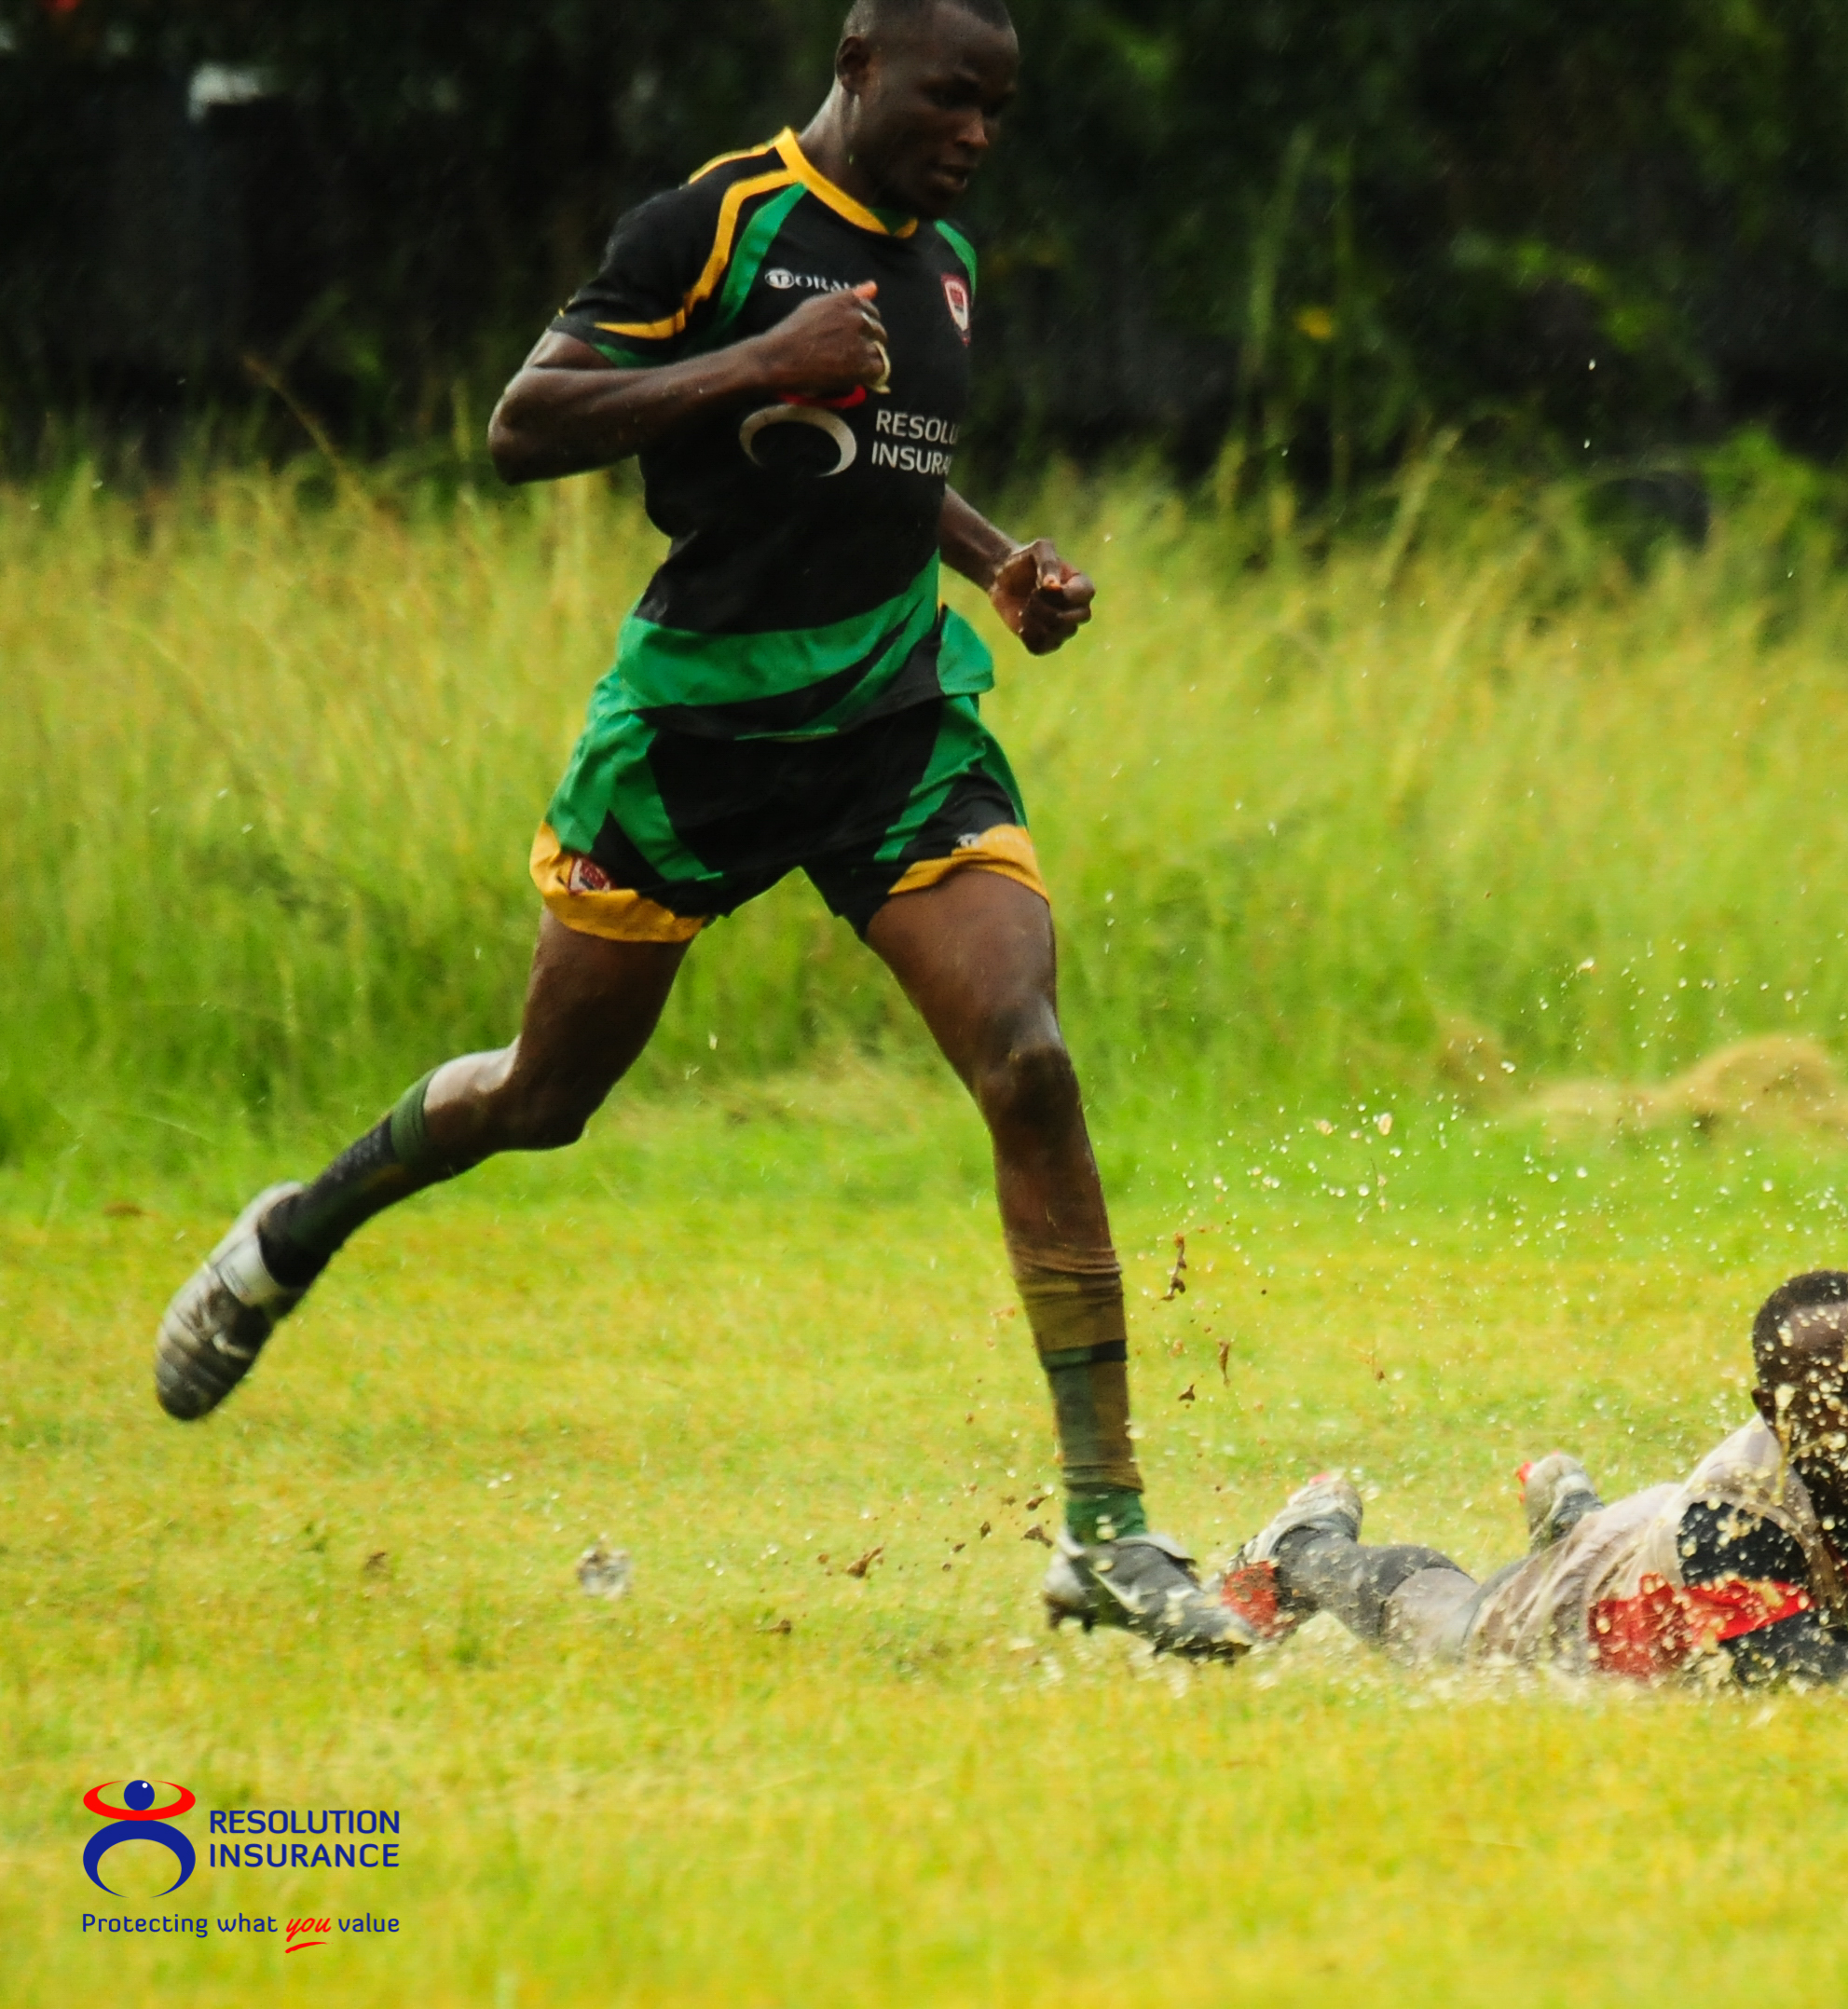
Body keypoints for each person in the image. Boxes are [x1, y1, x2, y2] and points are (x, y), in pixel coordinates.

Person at [148, 0, 1251, 1658]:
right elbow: (524, 425)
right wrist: (753, 360)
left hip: (891, 721)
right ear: (861, 60)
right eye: (954, 98)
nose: (977, 136)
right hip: (693, 743)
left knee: (1026, 1054)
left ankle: (1104, 1531)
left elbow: (877, 459)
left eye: (1001, 112)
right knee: (542, 1099)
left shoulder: (944, 262)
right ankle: (289, 1232)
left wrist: (997, 562)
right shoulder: (710, 224)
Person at [1215, 1271, 1848, 1709]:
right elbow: (1814, 1675)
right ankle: (1308, 1544)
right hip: (1609, 1599)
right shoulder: (1737, 1507)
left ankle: (1568, 1500)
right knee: (1447, 1624)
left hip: (1660, 1534)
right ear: (1774, 1404)